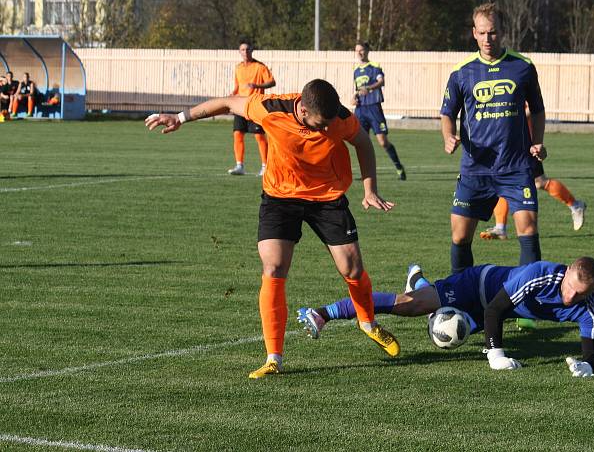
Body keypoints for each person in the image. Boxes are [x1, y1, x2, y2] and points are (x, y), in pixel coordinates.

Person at [145, 78, 400, 377]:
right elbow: (228, 102)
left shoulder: (338, 118)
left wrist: (370, 189)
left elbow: (362, 142)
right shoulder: (270, 108)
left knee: (352, 268)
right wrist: (181, 117)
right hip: (280, 196)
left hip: (327, 196)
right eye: (320, 124)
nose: (327, 129)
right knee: (274, 267)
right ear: (303, 110)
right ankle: (273, 358)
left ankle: (367, 322)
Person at [297, 256, 594, 376]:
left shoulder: (589, 308)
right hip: (477, 286)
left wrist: (588, 366)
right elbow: (496, 309)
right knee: (411, 306)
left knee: (447, 326)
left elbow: (592, 351)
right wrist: (496, 355)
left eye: (580, 295)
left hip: (491, 310)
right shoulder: (540, 275)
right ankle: (323, 313)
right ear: (566, 273)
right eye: (570, 289)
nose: (570, 298)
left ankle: (418, 279)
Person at [441, 2, 546, 273]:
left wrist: (538, 141)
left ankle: (527, 308)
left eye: (494, 32)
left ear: (503, 32)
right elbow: (447, 112)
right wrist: (448, 136)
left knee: (528, 228)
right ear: (474, 33)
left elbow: (537, 109)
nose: (488, 39)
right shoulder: (461, 71)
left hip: (515, 166)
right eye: (483, 33)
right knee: (460, 236)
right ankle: (461, 299)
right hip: (476, 168)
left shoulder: (522, 66)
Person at [480, 168, 586, 239]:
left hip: (526, 144)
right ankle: (500, 228)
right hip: (506, 145)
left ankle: (575, 205)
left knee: (539, 182)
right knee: (502, 181)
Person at [353, 42, 406, 180]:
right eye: (357, 50)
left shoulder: (374, 67)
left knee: (382, 142)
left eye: (361, 50)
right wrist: (354, 97)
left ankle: (399, 167)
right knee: (361, 143)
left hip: (374, 108)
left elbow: (381, 81)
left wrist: (369, 88)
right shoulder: (356, 70)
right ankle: (366, 175)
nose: (359, 53)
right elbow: (358, 89)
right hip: (360, 110)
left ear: (367, 51)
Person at [227, 39, 274, 176]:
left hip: (255, 105)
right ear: (239, 52)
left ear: (252, 51)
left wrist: (257, 86)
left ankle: (265, 166)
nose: (245, 52)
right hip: (240, 105)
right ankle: (239, 165)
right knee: (237, 134)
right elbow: (237, 87)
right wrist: (232, 95)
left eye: (248, 49)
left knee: (259, 136)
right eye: (242, 49)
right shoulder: (238, 67)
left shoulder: (260, 67)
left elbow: (272, 82)